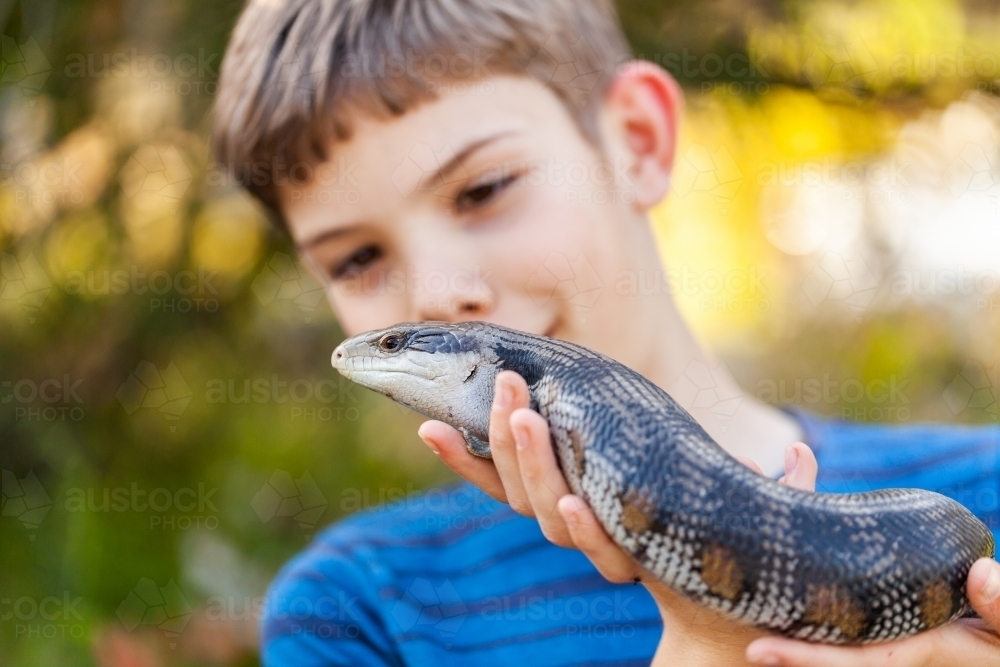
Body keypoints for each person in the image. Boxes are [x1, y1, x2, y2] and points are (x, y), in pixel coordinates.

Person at [212, 0, 1000, 664]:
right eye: (356, 258)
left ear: (638, 139)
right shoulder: (355, 609)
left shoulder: (987, 487)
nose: (440, 291)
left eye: (483, 188)